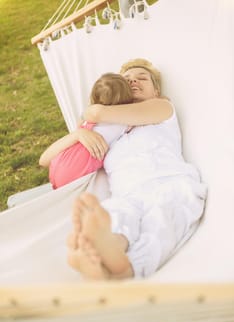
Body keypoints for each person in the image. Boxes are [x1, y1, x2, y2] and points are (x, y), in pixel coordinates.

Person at [66, 58, 207, 280]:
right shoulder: (109, 130)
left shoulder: (161, 107)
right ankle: (106, 247)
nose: (133, 82)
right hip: (128, 193)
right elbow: (47, 160)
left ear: (156, 90)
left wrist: (85, 119)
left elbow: (95, 113)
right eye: (127, 79)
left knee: (162, 220)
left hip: (170, 182)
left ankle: (128, 267)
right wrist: (78, 134)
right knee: (116, 212)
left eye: (142, 78)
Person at [39, 73, 133, 189]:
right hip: (74, 172)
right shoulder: (121, 123)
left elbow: (79, 126)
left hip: (58, 166)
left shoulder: (87, 117)